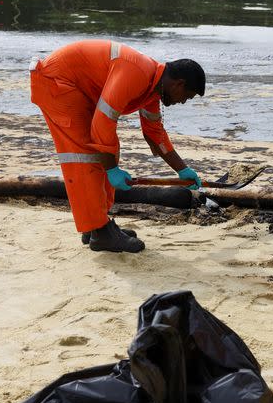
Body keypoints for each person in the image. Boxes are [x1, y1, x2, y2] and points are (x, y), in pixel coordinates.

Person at [29, 40, 206, 252]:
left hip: (74, 86)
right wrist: (112, 170)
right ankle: (101, 232)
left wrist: (182, 169)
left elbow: (155, 134)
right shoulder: (138, 73)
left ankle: (97, 225)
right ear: (179, 84)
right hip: (58, 83)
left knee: (106, 150)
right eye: (187, 97)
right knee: (88, 156)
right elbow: (103, 121)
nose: (183, 102)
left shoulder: (153, 88)